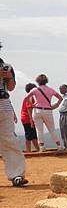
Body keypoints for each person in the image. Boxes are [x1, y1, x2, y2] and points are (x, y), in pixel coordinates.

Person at [0, 42, 28, 186]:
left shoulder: (6, 66)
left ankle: (17, 174)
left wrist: (9, 77)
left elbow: (11, 88)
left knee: (9, 139)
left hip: (4, 104)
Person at [26, 74, 63, 152]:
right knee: (52, 129)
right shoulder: (51, 90)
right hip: (47, 110)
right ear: (46, 81)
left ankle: (42, 147)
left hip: (37, 110)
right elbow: (60, 98)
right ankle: (59, 146)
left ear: (38, 81)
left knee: (39, 130)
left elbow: (27, 97)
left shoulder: (35, 90)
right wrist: (56, 105)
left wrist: (32, 104)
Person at [21, 83, 39, 152]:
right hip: (27, 118)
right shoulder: (30, 97)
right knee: (29, 136)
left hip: (27, 118)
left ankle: (37, 149)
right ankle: (28, 151)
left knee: (33, 135)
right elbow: (29, 108)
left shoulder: (29, 97)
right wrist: (31, 120)